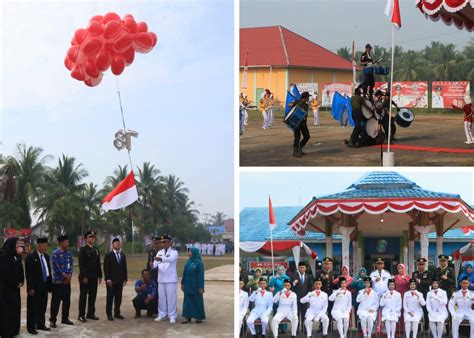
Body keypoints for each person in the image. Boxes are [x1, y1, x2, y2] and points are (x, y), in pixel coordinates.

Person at [25, 237, 53, 334]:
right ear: (38, 246)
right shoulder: (31, 257)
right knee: (33, 308)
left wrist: (50, 285)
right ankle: (31, 328)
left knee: (42, 306)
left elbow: (48, 271)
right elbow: (29, 274)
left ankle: (40, 324)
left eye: (46, 245)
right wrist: (30, 287)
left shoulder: (46, 256)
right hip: (35, 287)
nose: (46, 247)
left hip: (44, 286)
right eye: (45, 246)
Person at [0, 237, 24, 337]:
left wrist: (21, 281)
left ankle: (14, 329)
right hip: (6, 290)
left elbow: (20, 270)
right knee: (6, 311)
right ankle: (6, 332)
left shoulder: (16, 256)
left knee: (15, 310)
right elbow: (6, 273)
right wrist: (15, 283)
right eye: (16, 245)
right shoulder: (3, 256)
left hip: (14, 290)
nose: (18, 247)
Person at [153, 234, 178, 323]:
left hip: (171, 279)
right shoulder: (159, 252)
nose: (163, 244)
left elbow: (170, 259)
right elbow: (155, 263)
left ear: (169, 242)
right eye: (162, 242)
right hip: (161, 278)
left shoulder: (174, 252)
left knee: (171, 298)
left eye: (165, 242)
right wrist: (154, 265)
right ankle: (162, 314)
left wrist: (160, 259)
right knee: (161, 298)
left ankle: (172, 315)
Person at [78, 230, 102, 322]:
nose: (93, 239)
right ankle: (81, 315)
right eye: (91, 237)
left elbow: (98, 264)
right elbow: (81, 264)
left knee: (93, 296)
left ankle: (91, 313)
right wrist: (84, 276)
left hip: (94, 276)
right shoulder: (83, 250)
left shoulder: (96, 250)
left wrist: (99, 275)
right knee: (83, 296)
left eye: (94, 237)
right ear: (86, 239)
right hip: (86, 277)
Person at [50, 234, 73, 328]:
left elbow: (71, 265)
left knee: (67, 301)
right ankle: (53, 320)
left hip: (67, 282)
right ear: (61, 243)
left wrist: (70, 276)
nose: (68, 243)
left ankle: (65, 318)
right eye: (66, 242)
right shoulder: (55, 253)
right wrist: (64, 276)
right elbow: (56, 267)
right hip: (58, 282)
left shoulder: (69, 254)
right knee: (56, 302)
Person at [104, 237, 127, 321]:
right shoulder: (108, 255)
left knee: (118, 297)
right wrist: (107, 279)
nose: (118, 244)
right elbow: (106, 268)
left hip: (120, 280)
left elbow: (124, 268)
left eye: (119, 243)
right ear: (112, 245)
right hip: (111, 281)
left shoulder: (122, 255)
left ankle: (117, 313)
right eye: (116, 243)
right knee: (110, 297)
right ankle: (109, 314)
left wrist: (125, 278)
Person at [181, 247, 205, 323]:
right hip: (187, 285)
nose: (189, 253)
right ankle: (187, 317)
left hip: (196, 286)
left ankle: (198, 317)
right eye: (188, 252)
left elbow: (201, 276)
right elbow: (184, 273)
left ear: (194, 252)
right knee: (187, 301)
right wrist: (182, 283)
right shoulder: (187, 262)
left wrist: (201, 287)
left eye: (190, 252)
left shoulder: (199, 263)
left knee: (197, 301)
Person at [291, 262, 312, 333]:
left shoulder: (308, 276)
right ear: (298, 268)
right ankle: (296, 329)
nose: (302, 269)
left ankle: (304, 328)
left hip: (305, 299)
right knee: (296, 314)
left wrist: (308, 297)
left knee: (304, 314)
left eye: (303, 267)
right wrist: (293, 283)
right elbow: (290, 286)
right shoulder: (294, 276)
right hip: (296, 298)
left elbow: (309, 288)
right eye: (300, 267)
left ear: (305, 268)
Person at [412, 257, 431, 331]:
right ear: (417, 265)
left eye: (422, 264)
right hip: (416, 295)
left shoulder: (428, 273)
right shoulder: (415, 273)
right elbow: (412, 283)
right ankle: (418, 328)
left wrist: (421, 282)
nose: (421, 266)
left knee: (425, 312)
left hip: (424, 294)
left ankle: (426, 328)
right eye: (419, 264)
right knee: (416, 310)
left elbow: (429, 283)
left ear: (424, 265)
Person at [289, 91, 311, 158]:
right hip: (296, 122)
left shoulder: (306, 105)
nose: (308, 98)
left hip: (303, 123)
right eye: (308, 97)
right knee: (297, 137)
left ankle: (300, 148)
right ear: (305, 98)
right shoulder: (297, 102)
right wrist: (293, 104)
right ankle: (295, 151)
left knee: (307, 136)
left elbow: (305, 113)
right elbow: (289, 105)